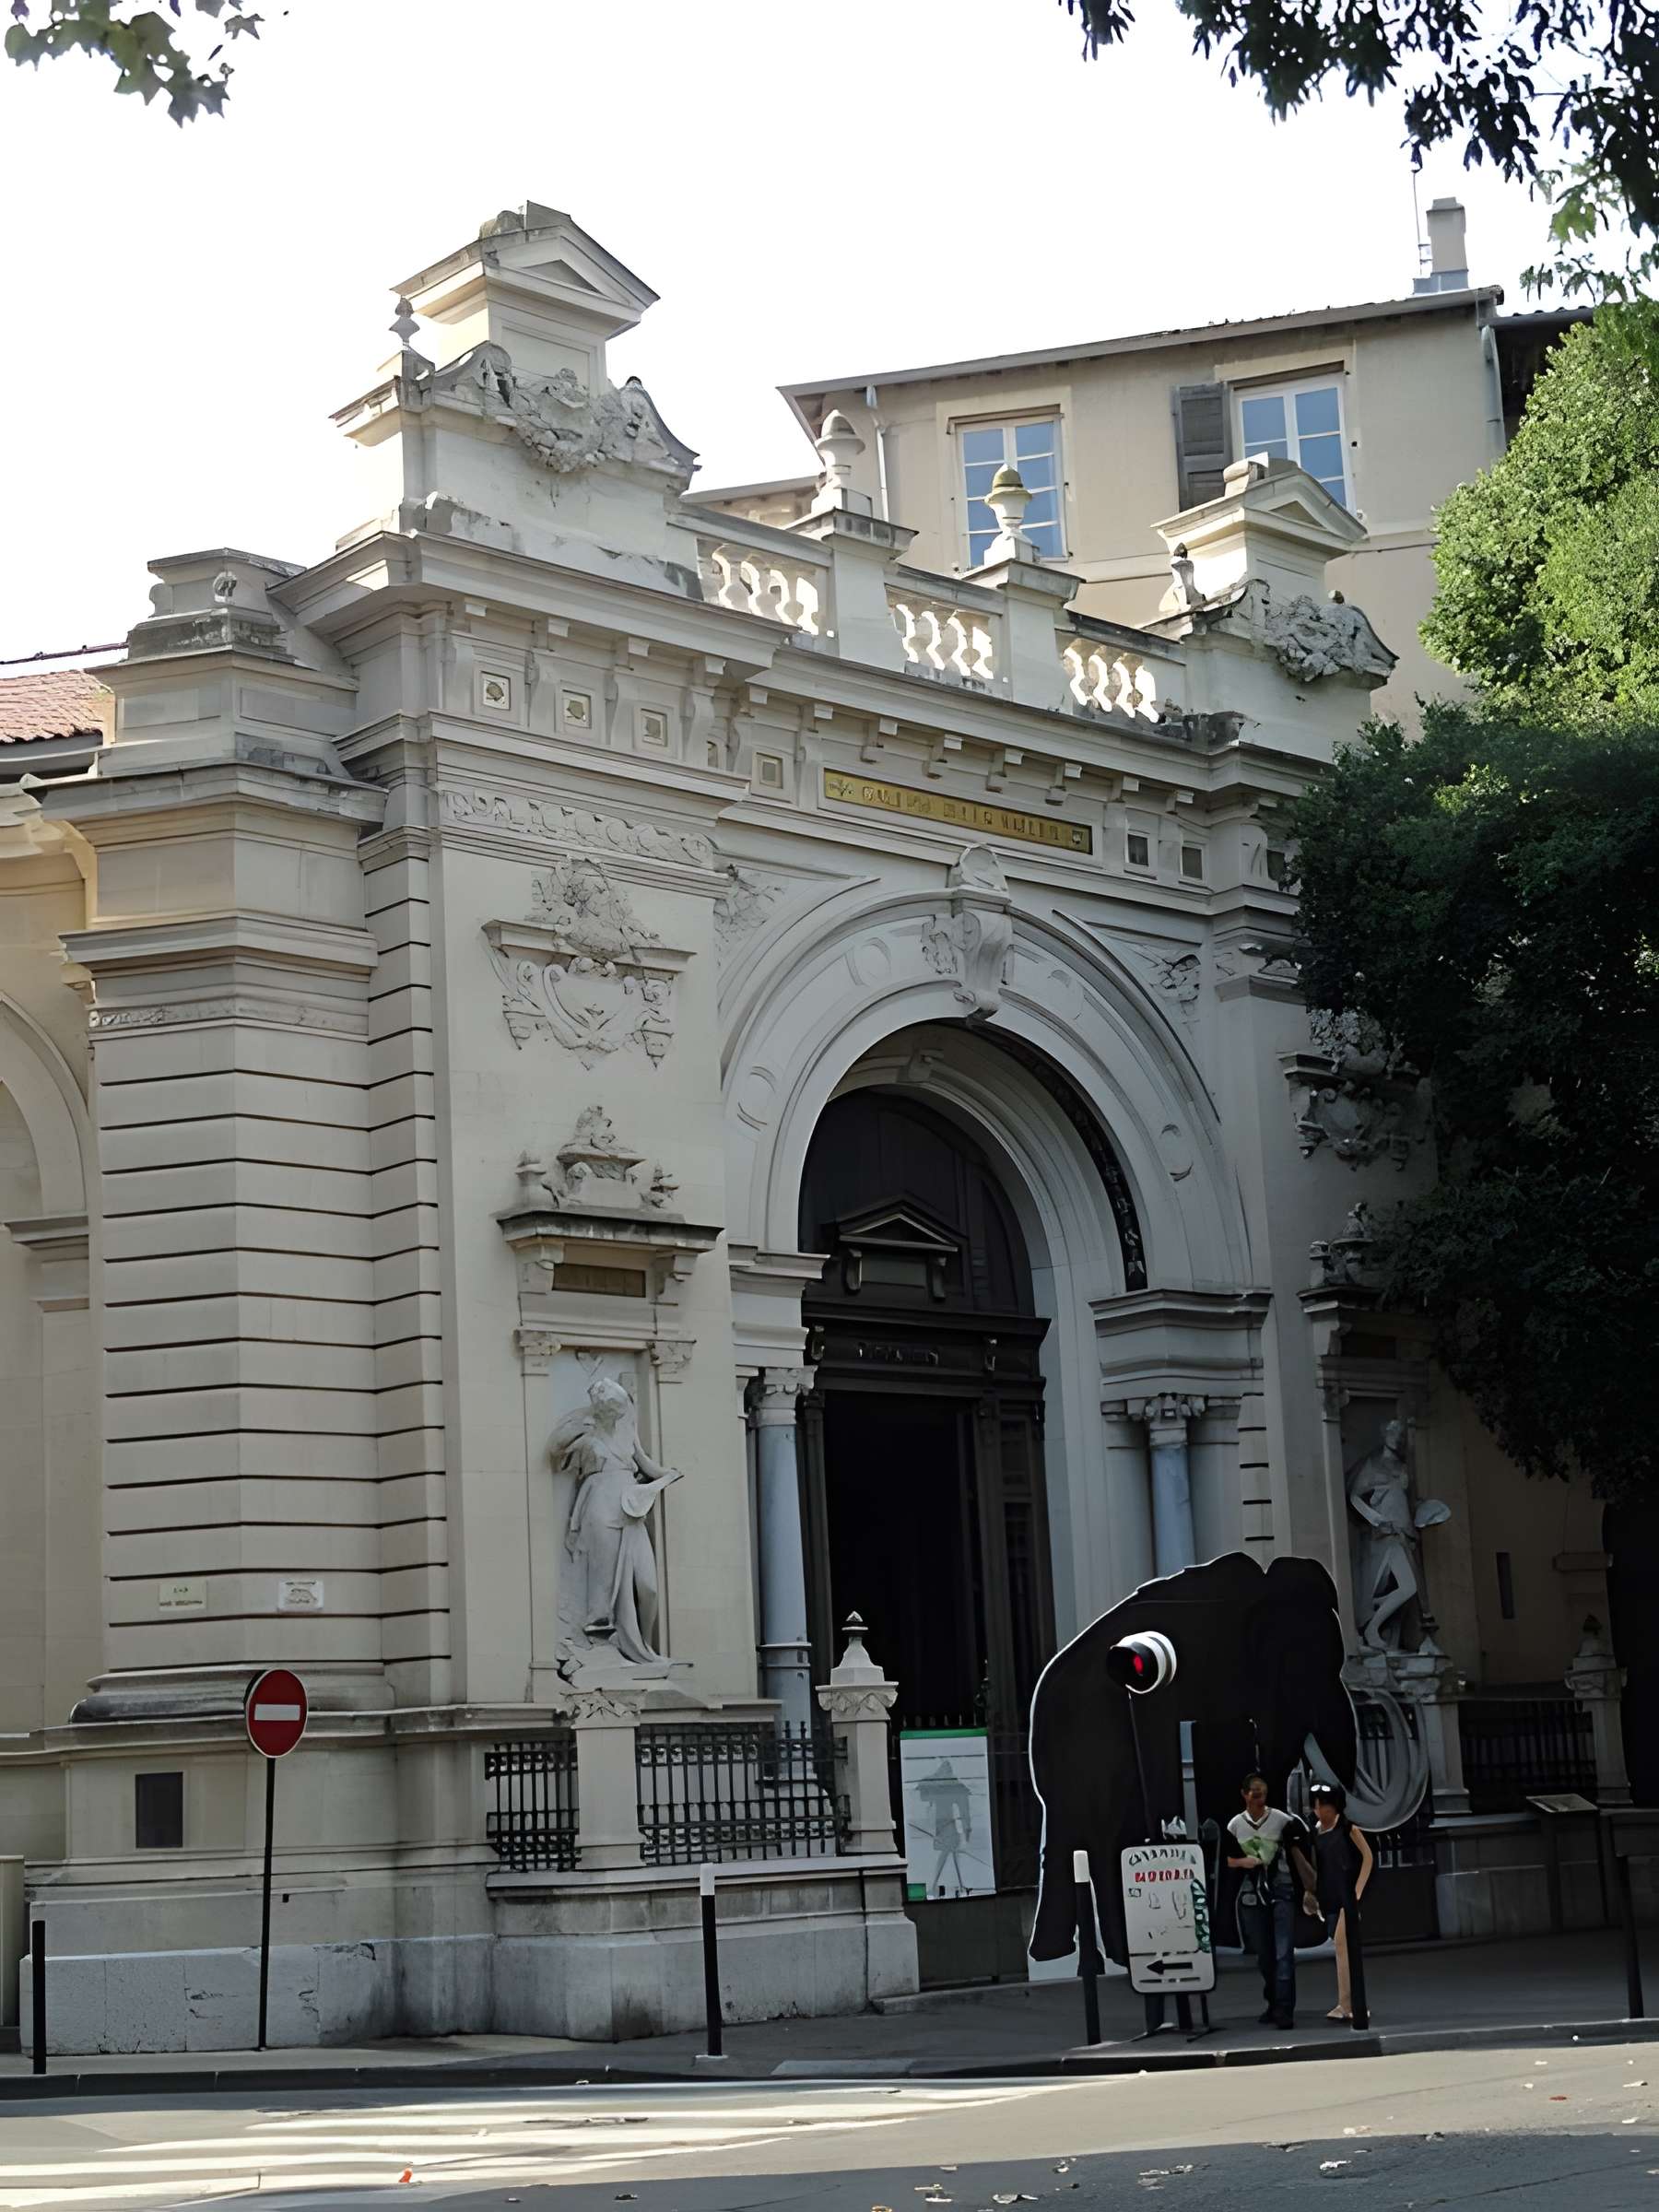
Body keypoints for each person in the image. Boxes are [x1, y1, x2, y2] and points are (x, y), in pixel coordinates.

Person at [1227, 1772, 1319, 2030]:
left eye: (1263, 1794)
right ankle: (1274, 2002)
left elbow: (1301, 1856)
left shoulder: (1283, 1821)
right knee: (1265, 1955)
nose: (1259, 1799)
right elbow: (1228, 1863)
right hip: (1252, 1895)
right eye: (1255, 1794)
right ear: (1245, 1795)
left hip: (1282, 1891)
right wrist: (1243, 1862)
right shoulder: (1235, 1825)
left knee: (1283, 1953)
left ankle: (1284, 2009)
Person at [1310, 1781, 1374, 2021]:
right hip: (1329, 1896)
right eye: (1316, 1806)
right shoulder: (1315, 1831)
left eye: (1324, 1806)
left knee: (1341, 1944)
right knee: (1342, 1948)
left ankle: (1347, 2004)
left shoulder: (1347, 1829)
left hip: (1348, 1896)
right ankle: (1347, 2003)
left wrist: (1357, 1892)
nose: (1320, 1812)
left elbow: (1368, 1857)